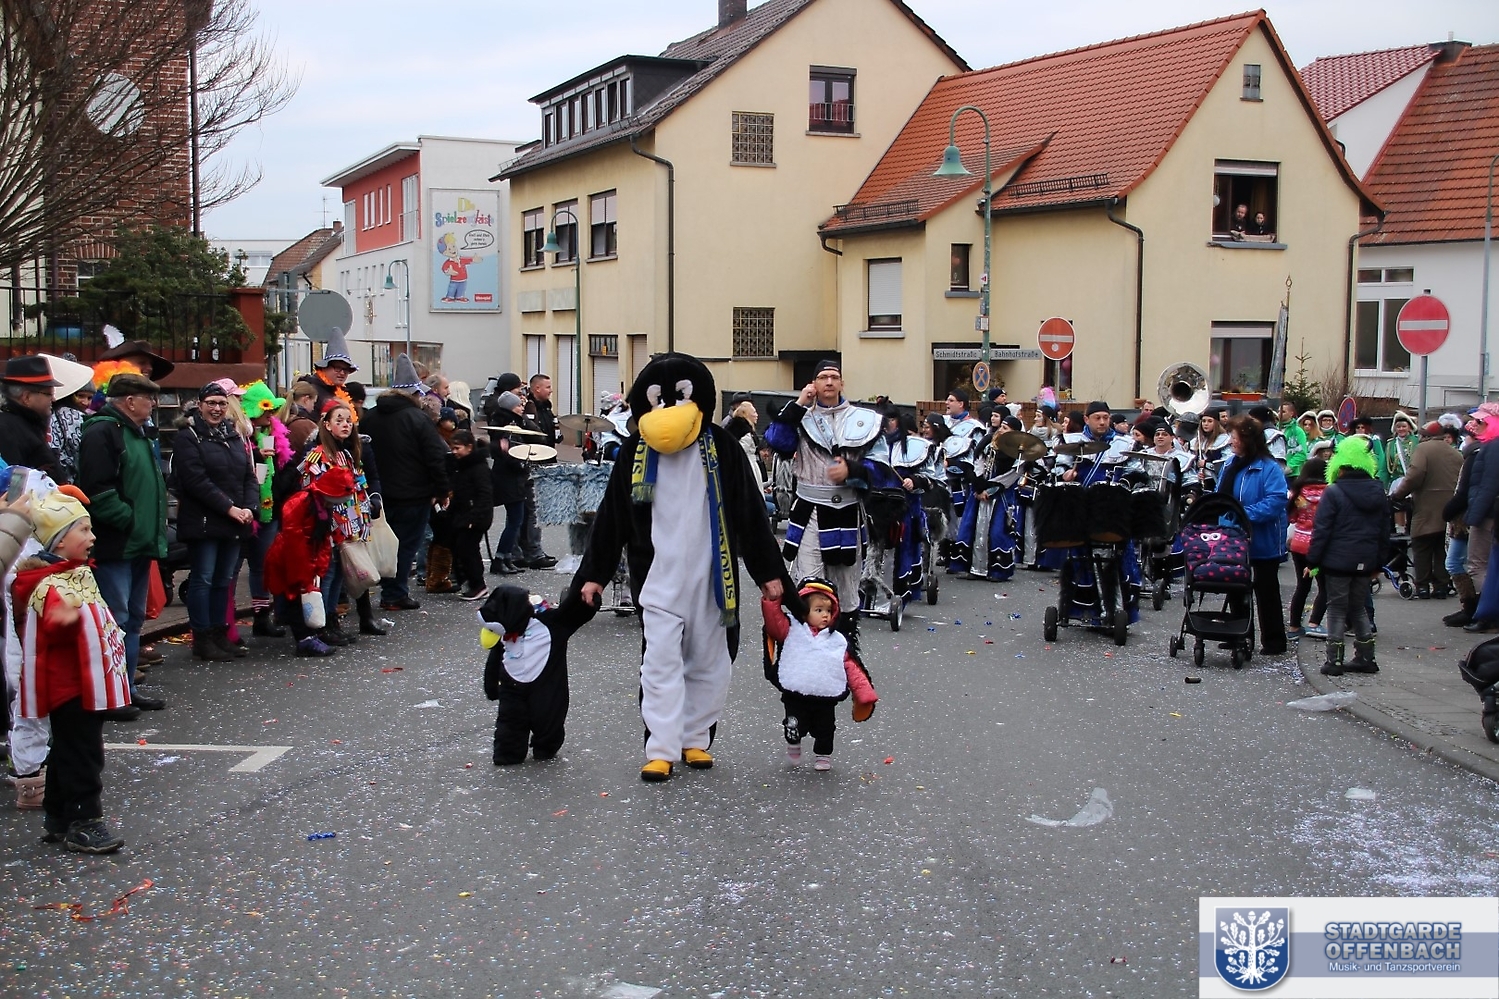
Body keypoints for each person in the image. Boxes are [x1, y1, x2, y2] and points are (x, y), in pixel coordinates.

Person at [577, 353, 788, 782]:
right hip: (657, 579)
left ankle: (695, 738)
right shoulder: (635, 452)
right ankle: (661, 746)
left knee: (710, 662)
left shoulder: (722, 447)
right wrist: (594, 574)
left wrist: (769, 572)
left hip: (712, 580)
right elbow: (613, 515)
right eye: (659, 401)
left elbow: (749, 513)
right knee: (659, 664)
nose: (669, 410)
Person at [13, 488, 131, 852]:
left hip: (85, 679)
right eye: (84, 530)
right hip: (72, 683)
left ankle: (59, 815)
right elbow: (51, 622)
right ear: (61, 541)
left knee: (67, 748)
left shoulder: (76, 573)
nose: (92, 537)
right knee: (84, 752)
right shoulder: (51, 584)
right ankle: (85, 818)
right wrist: (62, 620)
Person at [75, 373, 168, 713]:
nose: (153, 404)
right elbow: (98, 490)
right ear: (130, 401)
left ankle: (126, 688)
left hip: (138, 542)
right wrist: (130, 521)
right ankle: (111, 694)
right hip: (118, 544)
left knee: (133, 619)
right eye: (148, 398)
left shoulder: (137, 432)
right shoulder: (103, 432)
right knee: (116, 619)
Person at [764, 359, 880, 612]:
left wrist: (852, 470)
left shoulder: (864, 420)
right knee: (810, 583)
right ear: (813, 384)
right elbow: (778, 442)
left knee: (847, 583)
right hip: (810, 510)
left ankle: (845, 635)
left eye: (834, 377)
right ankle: (811, 634)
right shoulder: (801, 416)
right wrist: (799, 404)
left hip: (848, 509)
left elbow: (880, 466)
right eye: (823, 377)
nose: (829, 382)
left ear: (842, 383)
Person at [171, 382, 257, 661]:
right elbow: (195, 480)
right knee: (204, 578)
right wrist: (229, 508)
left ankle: (221, 633)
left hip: (234, 520)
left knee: (223, 579)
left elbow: (248, 475)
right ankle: (202, 636)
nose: (217, 409)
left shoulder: (232, 434)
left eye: (222, 403)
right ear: (200, 405)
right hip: (204, 521)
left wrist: (249, 507)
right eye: (211, 403)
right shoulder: (188, 436)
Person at [359, 354, 451, 612]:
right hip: (413, 494)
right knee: (406, 545)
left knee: (379, 543)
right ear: (414, 393)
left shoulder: (370, 418)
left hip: (377, 493)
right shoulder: (418, 419)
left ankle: (374, 590)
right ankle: (395, 593)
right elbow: (435, 458)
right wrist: (442, 490)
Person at [762, 577, 877, 772]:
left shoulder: (837, 641)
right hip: (795, 694)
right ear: (803, 610)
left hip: (825, 697)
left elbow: (851, 667)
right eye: (819, 610)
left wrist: (864, 693)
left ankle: (823, 754)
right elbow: (773, 622)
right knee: (793, 725)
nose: (825, 615)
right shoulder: (791, 629)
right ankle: (794, 743)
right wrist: (773, 600)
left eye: (829, 611)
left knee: (826, 729)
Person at [479, 585, 597, 765]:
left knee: (548, 717)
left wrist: (588, 598)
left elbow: (573, 614)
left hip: (546, 682)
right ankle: (508, 752)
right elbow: (495, 658)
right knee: (510, 720)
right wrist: (492, 685)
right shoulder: (503, 632)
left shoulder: (551, 623)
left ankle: (546, 746)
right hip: (511, 684)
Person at [300, 400, 382, 644]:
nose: (346, 425)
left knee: (339, 574)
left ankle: (332, 619)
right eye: (339, 420)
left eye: (349, 421)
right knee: (328, 572)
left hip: (349, 523)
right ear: (326, 425)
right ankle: (322, 624)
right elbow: (311, 490)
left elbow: (359, 485)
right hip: (329, 523)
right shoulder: (318, 455)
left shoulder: (347, 454)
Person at [1307, 439, 1389, 675]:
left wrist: (1313, 561)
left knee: (1336, 608)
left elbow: (1322, 530)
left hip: (1337, 561)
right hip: (1366, 560)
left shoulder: (1334, 492)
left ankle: (1334, 661)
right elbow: (1384, 531)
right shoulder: (1378, 491)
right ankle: (1366, 657)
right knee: (1358, 607)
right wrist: (1378, 563)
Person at [1216, 415, 1290, 655]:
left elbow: (1276, 500)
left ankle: (1274, 640)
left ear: (1248, 440)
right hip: (1234, 537)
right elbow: (1220, 496)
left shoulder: (1269, 467)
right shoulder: (1230, 464)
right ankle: (1238, 633)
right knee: (1235, 586)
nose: (1231, 441)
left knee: (1266, 591)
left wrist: (1243, 514)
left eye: (1235, 437)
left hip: (1263, 539)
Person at [264, 465, 355, 657]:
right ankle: (304, 639)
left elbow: (323, 541)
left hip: (306, 556)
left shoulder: (322, 505)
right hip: (289, 558)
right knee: (295, 596)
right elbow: (294, 541)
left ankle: (309, 636)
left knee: (304, 596)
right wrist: (305, 573)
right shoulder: (300, 503)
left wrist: (319, 568)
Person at [240, 381, 292, 637]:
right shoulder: (241, 436)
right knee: (243, 567)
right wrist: (258, 455)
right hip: (245, 509)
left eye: (273, 410)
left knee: (264, 564)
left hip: (270, 509)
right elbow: (246, 473)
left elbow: (279, 471)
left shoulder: (272, 431)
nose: (270, 415)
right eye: (266, 409)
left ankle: (262, 616)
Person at [1391, 421, 1463, 600]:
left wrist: (1397, 495)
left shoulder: (1423, 449)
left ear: (1426, 436)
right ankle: (1441, 586)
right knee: (1441, 549)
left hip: (1426, 508)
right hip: (1449, 509)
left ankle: (1422, 586)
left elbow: (1414, 476)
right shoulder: (1456, 453)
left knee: (1421, 546)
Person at [950, 414, 1022, 580]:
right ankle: (975, 568)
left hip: (1001, 496)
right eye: (1001, 426)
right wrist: (978, 485)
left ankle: (998, 570)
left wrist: (990, 490)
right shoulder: (989, 442)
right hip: (980, 491)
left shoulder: (1019, 452)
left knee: (997, 531)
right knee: (972, 527)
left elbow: (1012, 475)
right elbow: (979, 462)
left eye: (1006, 428)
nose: (1001, 430)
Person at [0, 356, 68, 484]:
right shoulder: (7, 430)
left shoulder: (28, 424)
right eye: (48, 394)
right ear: (26, 397)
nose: (53, 399)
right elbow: (12, 485)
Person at [486, 392, 532, 577]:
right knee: (515, 521)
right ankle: (500, 558)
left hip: (510, 478)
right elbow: (508, 454)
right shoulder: (508, 427)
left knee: (515, 520)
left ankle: (505, 558)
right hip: (510, 479)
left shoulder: (505, 423)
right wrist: (522, 464)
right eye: (518, 405)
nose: (522, 408)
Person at [515, 373, 559, 570]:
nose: (551, 390)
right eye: (547, 387)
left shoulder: (546, 407)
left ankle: (529, 549)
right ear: (537, 388)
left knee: (533, 509)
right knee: (534, 509)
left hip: (546, 458)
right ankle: (533, 551)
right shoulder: (529, 407)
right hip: (533, 461)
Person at [446, 429, 494, 602]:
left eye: (457, 448)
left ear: (469, 447)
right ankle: (471, 582)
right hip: (464, 513)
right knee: (463, 548)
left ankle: (478, 585)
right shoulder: (462, 465)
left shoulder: (478, 468)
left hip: (474, 516)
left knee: (468, 549)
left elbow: (485, 495)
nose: (454, 452)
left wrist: (475, 517)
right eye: (452, 448)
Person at [1285, 456, 1328, 640]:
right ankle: (1314, 623)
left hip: (1299, 545)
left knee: (1302, 586)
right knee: (1324, 586)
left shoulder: (1298, 493)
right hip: (1321, 546)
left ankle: (1294, 626)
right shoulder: (1329, 492)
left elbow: (1292, 517)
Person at [299, 327, 358, 416]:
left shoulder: (340, 390)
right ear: (324, 367)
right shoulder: (312, 390)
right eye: (337, 368)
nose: (342, 373)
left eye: (346, 369)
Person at [50, 380, 96, 483]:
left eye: (89, 398)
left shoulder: (50, 413)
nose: (85, 402)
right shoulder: (74, 416)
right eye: (80, 396)